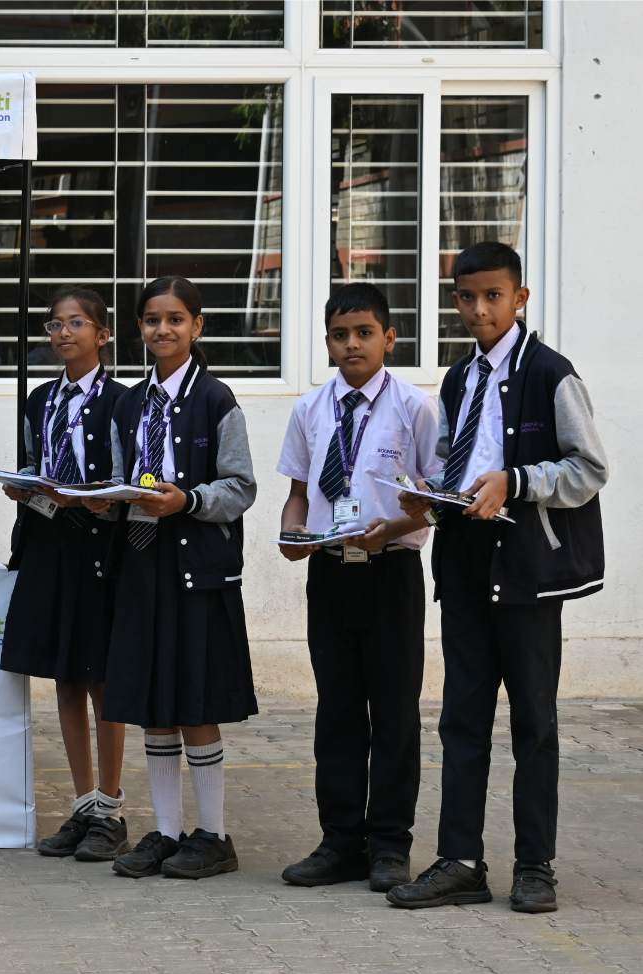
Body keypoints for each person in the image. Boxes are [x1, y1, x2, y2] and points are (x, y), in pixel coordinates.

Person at [388, 242, 607, 915]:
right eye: (467, 297)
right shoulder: (460, 378)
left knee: (534, 721)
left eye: (493, 296)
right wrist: (431, 492)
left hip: (527, 570)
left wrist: (517, 481)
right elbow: (452, 458)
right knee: (462, 719)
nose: (479, 309)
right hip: (464, 564)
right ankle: (460, 861)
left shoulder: (551, 374)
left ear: (520, 298)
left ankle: (535, 865)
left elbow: (588, 469)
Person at [275, 282, 440, 893]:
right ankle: (340, 840)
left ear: (389, 338)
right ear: (326, 343)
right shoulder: (310, 409)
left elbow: (435, 500)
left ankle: (390, 844)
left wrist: (391, 528)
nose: (352, 344)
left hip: (390, 571)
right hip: (329, 571)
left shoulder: (415, 408)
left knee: (393, 711)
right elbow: (298, 493)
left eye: (365, 333)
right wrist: (292, 533)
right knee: (337, 709)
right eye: (340, 335)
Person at [94, 276, 257, 881]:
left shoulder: (217, 400)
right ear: (138, 327)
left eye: (175, 319)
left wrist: (186, 500)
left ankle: (213, 834)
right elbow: (121, 477)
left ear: (197, 326)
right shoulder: (129, 403)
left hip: (197, 570)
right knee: (153, 702)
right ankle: (166, 832)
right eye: (151, 320)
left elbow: (241, 487)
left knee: (195, 698)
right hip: (141, 564)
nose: (162, 329)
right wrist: (102, 499)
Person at [0, 287, 130, 864]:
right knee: (66, 678)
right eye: (55, 325)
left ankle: (111, 808)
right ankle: (82, 805)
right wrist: (23, 484)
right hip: (49, 543)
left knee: (102, 679)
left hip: (98, 545)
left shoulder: (121, 401)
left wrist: (104, 500)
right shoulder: (40, 400)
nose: (63, 334)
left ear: (102, 334)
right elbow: (36, 462)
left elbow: (135, 476)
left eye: (76, 323)